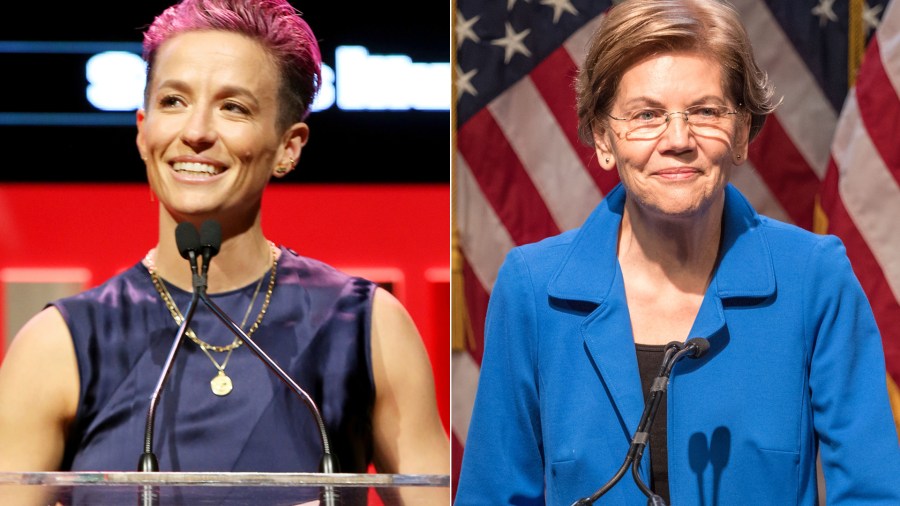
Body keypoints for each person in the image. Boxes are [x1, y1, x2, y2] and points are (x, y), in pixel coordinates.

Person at [0, 0, 449, 504]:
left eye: (234, 107)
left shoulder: (366, 326)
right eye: (173, 102)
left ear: (289, 147)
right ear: (142, 130)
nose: (195, 132)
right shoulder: (59, 344)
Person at [455, 0, 900, 504]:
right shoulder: (533, 291)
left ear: (742, 134)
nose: (678, 140)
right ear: (604, 138)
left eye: (706, 112)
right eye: (646, 115)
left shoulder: (814, 279)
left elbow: (872, 492)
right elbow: (493, 495)